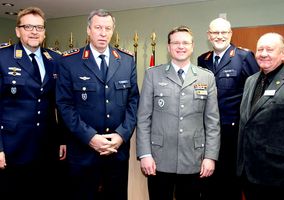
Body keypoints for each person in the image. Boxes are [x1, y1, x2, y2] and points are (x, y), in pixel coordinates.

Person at [56, 9, 139, 200]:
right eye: (98, 27)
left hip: (116, 150)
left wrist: (121, 135)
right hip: (83, 150)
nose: (103, 33)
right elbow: (64, 105)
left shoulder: (126, 60)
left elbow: (133, 101)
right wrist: (91, 137)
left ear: (113, 31)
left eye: (107, 28)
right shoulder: (70, 61)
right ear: (88, 30)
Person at [136, 25, 220, 200]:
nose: (181, 46)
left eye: (185, 43)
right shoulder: (153, 75)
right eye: (176, 43)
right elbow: (143, 118)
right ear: (168, 47)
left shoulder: (206, 77)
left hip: (194, 159)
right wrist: (145, 155)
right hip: (158, 159)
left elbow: (212, 122)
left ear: (192, 46)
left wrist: (210, 157)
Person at [0, 7, 66, 199]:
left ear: (45, 32)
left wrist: (61, 139)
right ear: (17, 31)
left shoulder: (55, 59)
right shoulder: (3, 58)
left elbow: (59, 103)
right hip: (13, 147)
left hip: (46, 147)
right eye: (28, 26)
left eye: (39, 27)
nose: (34, 32)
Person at [197, 17, 259, 200]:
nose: (220, 36)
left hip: (232, 131)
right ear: (209, 35)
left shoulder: (244, 57)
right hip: (207, 130)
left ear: (230, 34)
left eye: (224, 32)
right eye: (215, 32)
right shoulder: (203, 59)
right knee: (208, 181)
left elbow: (255, 91)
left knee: (230, 183)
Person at [237, 32, 284, 200]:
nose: (263, 54)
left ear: (283, 53)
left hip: (278, 176)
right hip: (249, 173)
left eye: (269, 49)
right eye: (260, 49)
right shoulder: (250, 80)